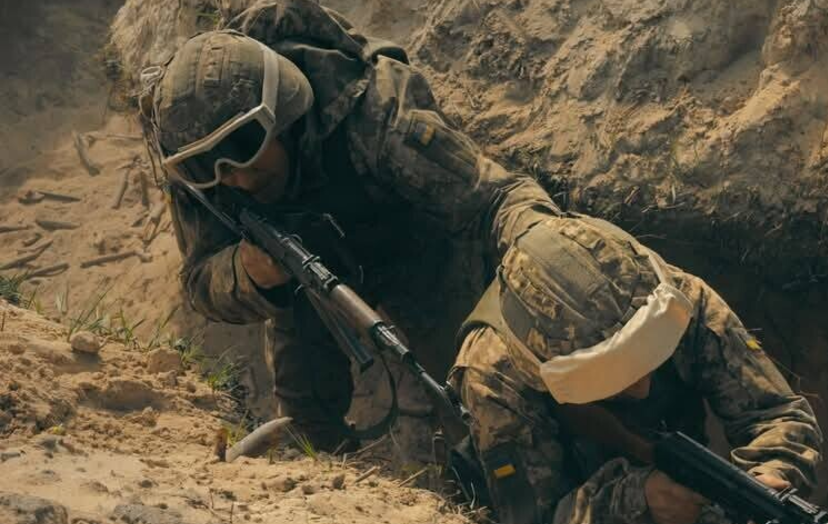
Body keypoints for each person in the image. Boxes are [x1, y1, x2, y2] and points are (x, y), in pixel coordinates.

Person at [141, 0, 559, 449]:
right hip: (306, 284)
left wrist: (545, 241)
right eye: (206, 166)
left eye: (246, 147)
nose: (237, 178)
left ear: (282, 113)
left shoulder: (375, 113)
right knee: (305, 424)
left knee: (475, 398)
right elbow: (200, 281)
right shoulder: (201, 168)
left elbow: (491, 196)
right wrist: (246, 272)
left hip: (416, 251)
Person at [448, 212, 824, 524]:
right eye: (612, 373)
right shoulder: (494, 376)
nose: (643, 388)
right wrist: (636, 499)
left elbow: (775, 411)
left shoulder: (675, 299)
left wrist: (771, 476)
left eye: (650, 352)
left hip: (684, 499)